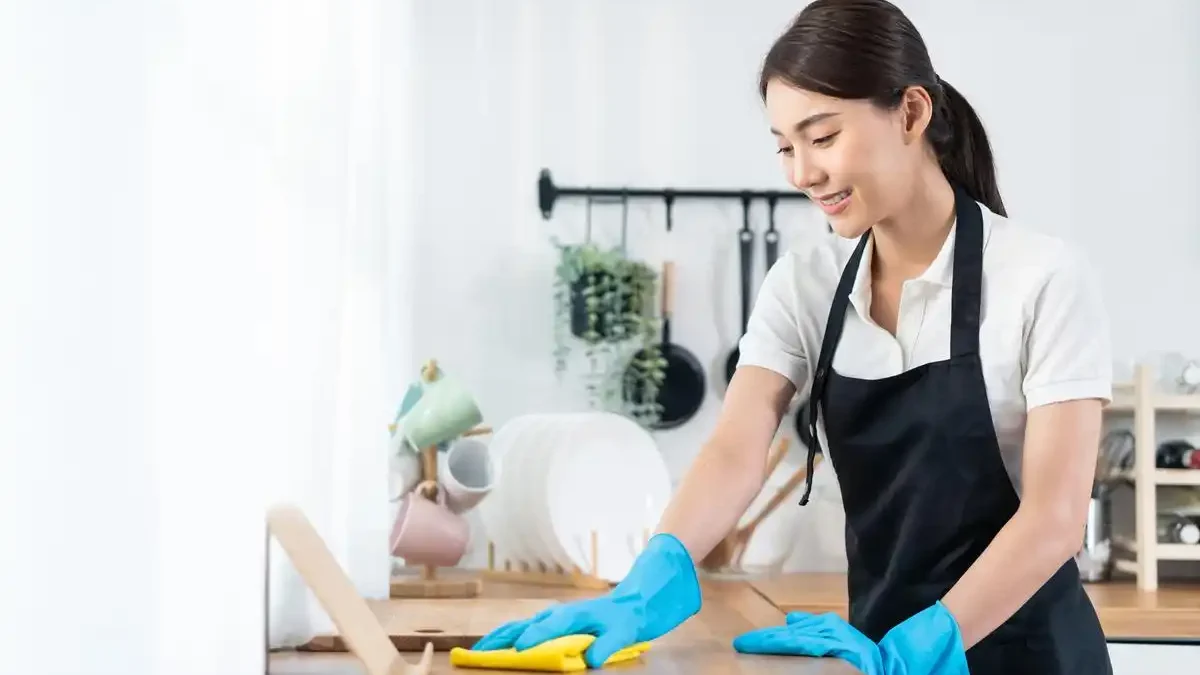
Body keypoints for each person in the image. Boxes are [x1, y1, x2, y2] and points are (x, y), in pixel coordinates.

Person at [474, 1, 1114, 673]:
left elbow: (1054, 517)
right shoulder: (805, 285)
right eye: (785, 145)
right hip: (877, 658)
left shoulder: (1042, 279)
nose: (802, 173)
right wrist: (645, 584)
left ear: (912, 113)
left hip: (1032, 657)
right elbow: (734, 449)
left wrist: (931, 641)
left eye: (823, 136)